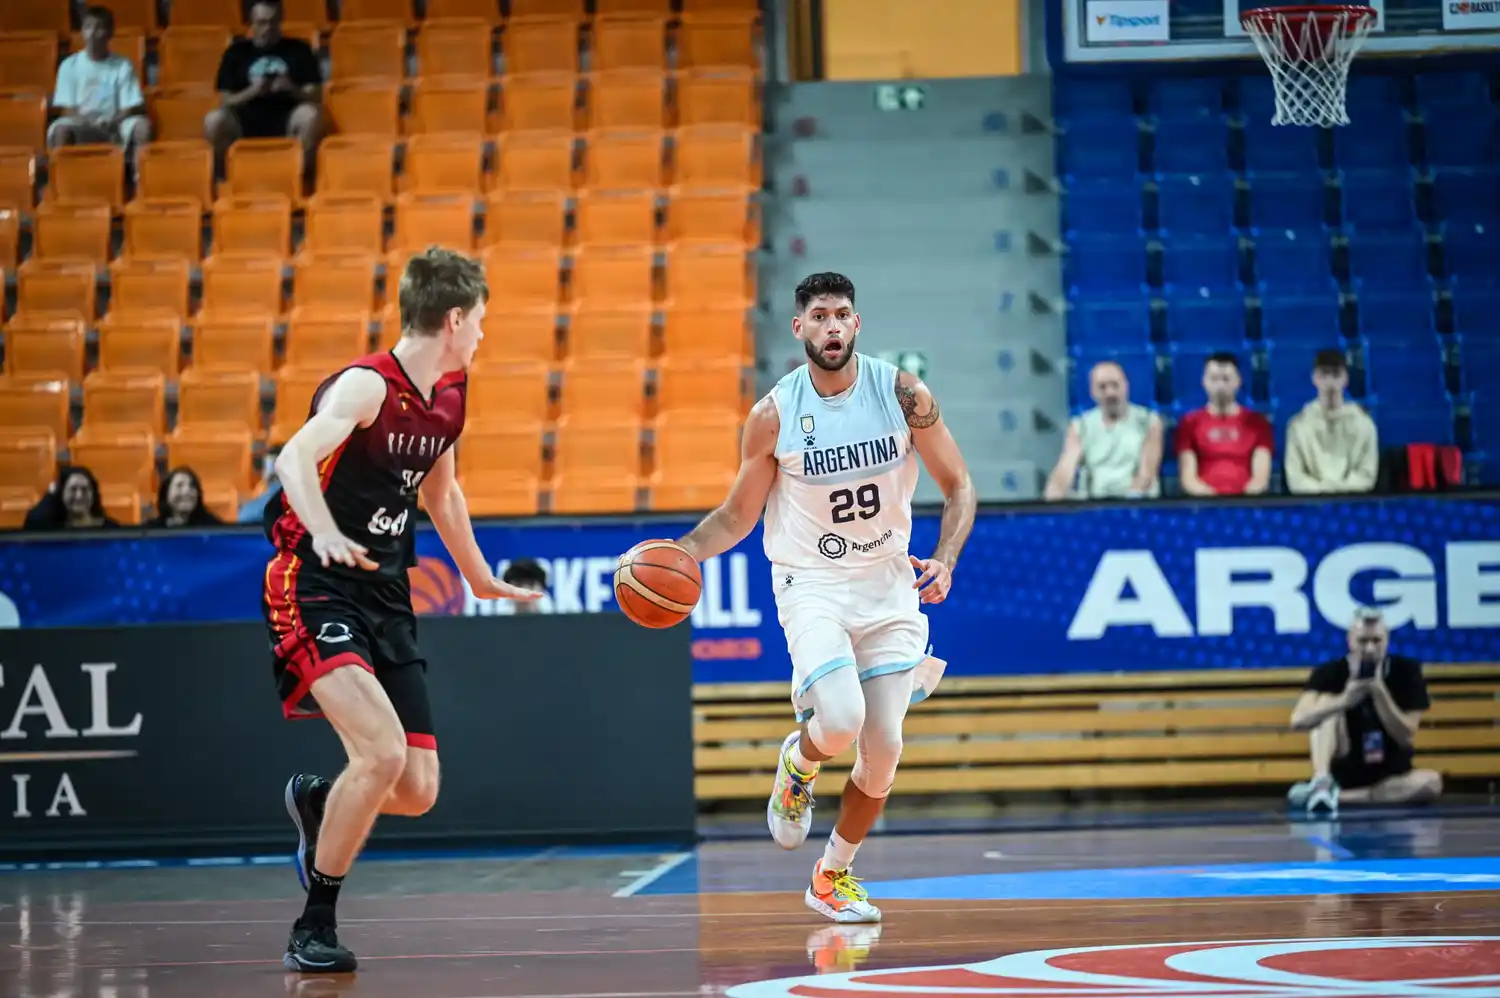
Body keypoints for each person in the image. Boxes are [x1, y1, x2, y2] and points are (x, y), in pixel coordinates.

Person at [261, 246, 541, 973]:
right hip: (314, 582)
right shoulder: (365, 387)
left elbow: (440, 492)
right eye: (478, 320)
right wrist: (322, 528)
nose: (482, 332)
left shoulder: (451, 391)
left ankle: (323, 803)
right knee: (380, 753)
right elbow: (293, 460)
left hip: (386, 592)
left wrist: (479, 578)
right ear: (453, 318)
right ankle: (312, 927)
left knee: (414, 789)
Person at [664, 272, 976, 924]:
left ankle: (831, 875)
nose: (832, 326)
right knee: (839, 720)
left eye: (842, 315)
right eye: (820, 316)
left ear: (856, 325)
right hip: (812, 584)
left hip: (889, 582)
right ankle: (798, 761)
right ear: (799, 328)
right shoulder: (773, 415)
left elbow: (959, 485)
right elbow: (736, 516)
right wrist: (681, 551)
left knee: (884, 747)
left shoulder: (902, 394)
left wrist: (945, 559)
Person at [1287, 608, 1443, 817]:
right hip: (1345, 762)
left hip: (1390, 774)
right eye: (1363, 641)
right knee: (1325, 704)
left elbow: (1406, 735)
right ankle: (1322, 782)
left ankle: (1337, 797)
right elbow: (1298, 720)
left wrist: (1379, 692)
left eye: (1377, 641)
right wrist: (1344, 700)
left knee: (1431, 783)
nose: (1370, 648)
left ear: (1387, 640)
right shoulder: (1329, 672)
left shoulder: (1407, 671)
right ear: (1350, 640)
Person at [205, 0, 324, 176]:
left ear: (281, 20)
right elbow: (225, 100)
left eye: (273, 21)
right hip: (244, 123)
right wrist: (252, 91)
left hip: (287, 120)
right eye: (262, 22)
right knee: (213, 120)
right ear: (251, 23)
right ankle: (224, 179)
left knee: (310, 115)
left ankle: (301, 179)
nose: (268, 27)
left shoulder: (299, 50)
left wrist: (290, 87)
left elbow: (315, 96)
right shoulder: (236, 53)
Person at [48, 6, 152, 177]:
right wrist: (88, 120)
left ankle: (140, 179)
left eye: (99, 27)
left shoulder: (122, 65)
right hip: (82, 123)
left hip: (115, 123)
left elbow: (131, 105)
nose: (93, 33)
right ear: (82, 32)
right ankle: (63, 180)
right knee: (61, 130)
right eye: (88, 27)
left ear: (110, 33)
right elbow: (67, 108)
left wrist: (114, 120)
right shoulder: (69, 65)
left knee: (142, 126)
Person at [1044, 360, 1163, 500]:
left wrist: (1123, 506)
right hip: (1094, 505)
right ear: (1092, 392)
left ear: (1126, 387)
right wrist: (1055, 492)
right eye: (1102, 387)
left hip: (1136, 504)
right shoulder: (1080, 426)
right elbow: (1065, 470)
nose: (1110, 392)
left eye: (1115, 385)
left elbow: (1146, 474)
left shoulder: (1149, 421)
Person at [1176, 352, 1273, 496]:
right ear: (1204, 381)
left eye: (1226, 379)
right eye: (1214, 379)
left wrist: (1241, 502)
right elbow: (1188, 479)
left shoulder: (1258, 423)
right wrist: (1215, 502)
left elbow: (1260, 479)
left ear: (1238, 381)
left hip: (1246, 504)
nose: (1220, 385)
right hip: (1204, 504)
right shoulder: (1189, 423)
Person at [1284, 349, 1378, 495]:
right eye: (1324, 374)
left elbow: (1366, 474)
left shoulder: (1364, 425)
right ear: (1314, 378)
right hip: (1310, 504)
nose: (1330, 382)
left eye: (1336, 374)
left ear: (1345, 379)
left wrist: (1339, 490)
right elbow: (1295, 476)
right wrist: (1321, 492)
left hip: (1351, 502)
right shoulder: (1298, 426)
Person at [147, 467, 223, 527]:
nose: (187, 491)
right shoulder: (152, 531)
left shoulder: (213, 527)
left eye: (192, 486)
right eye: (179, 485)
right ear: (166, 493)